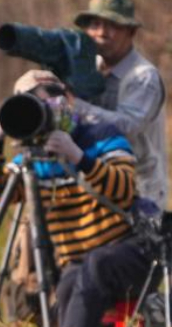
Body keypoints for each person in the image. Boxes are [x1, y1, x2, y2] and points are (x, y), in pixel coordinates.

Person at [0, 71, 141, 327]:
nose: (43, 106)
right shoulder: (34, 157)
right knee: (68, 283)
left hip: (128, 248)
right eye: (31, 101)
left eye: (48, 96)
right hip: (80, 262)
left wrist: (79, 158)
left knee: (92, 266)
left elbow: (125, 190)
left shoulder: (100, 135)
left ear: (67, 98)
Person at [70, 0, 166, 209]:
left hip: (139, 194)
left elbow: (127, 126)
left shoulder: (143, 77)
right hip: (95, 186)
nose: (102, 33)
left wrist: (74, 105)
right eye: (95, 25)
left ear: (131, 32)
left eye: (112, 25)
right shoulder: (89, 69)